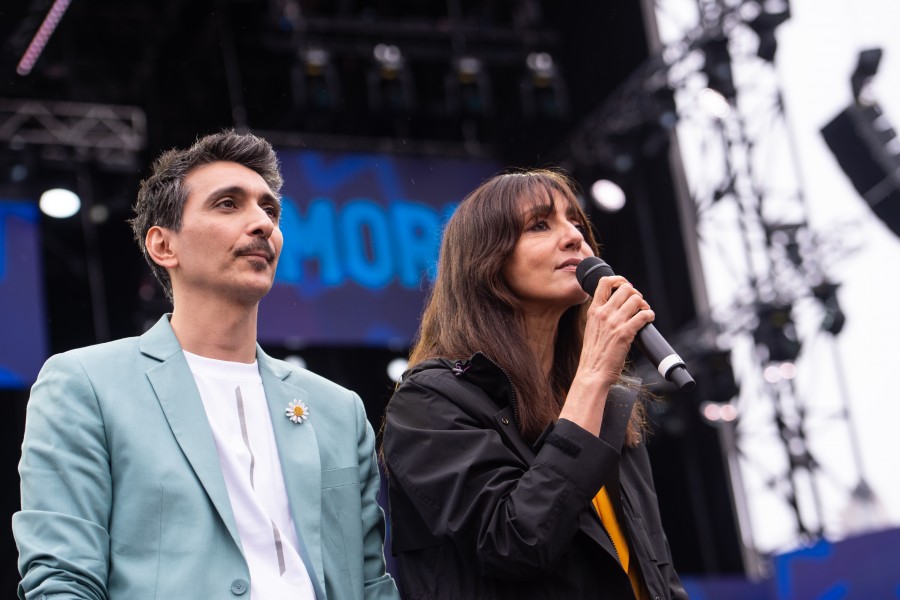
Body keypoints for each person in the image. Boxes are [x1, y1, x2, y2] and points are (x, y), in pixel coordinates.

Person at [14, 130, 400, 600]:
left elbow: (371, 583)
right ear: (163, 246)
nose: (262, 223)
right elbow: (63, 579)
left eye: (269, 209)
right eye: (227, 204)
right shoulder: (86, 384)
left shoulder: (337, 409)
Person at [381, 169, 688, 599]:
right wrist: (595, 373)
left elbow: (655, 573)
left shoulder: (610, 402)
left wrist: (595, 383)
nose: (573, 238)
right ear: (487, 262)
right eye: (540, 225)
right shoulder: (430, 401)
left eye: (576, 223)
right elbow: (514, 543)